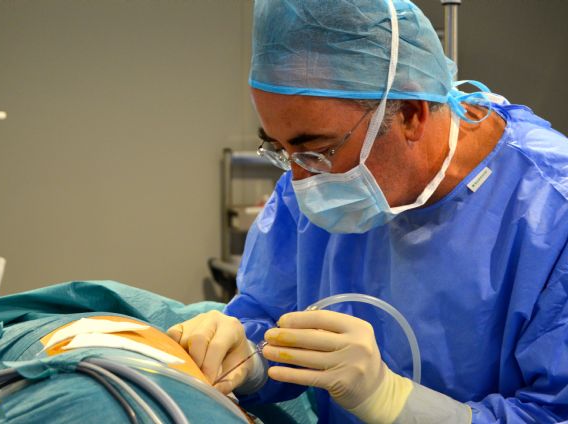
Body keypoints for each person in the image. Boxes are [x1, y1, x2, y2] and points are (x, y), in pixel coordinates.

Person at [168, 0, 568, 422]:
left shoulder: (550, 214)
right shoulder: (315, 178)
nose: (301, 181)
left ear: (412, 114)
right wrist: (247, 358)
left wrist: (394, 401)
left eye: (319, 150)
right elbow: (269, 317)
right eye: (281, 150)